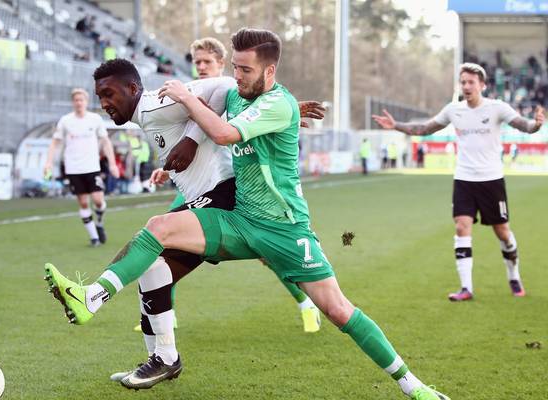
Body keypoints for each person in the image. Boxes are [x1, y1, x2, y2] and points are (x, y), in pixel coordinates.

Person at [44, 29, 449, 400]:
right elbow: (217, 100)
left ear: (269, 70)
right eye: (234, 66)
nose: (235, 74)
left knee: (339, 310)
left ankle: (413, 386)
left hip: (284, 228)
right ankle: (99, 304)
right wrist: (188, 133)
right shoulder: (238, 92)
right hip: (239, 218)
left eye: (245, 68)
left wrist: (186, 96)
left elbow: (221, 131)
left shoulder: (277, 103)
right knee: (158, 235)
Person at [139, 36, 323, 335]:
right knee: (165, 241)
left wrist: (291, 110)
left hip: (229, 183)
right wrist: (165, 168)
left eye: (207, 62)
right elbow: (186, 136)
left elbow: (253, 114)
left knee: (267, 254)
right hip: (197, 182)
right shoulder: (197, 91)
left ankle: (305, 301)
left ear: (221, 65)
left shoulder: (230, 89)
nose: (200, 67)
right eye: (196, 61)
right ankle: (161, 314)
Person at [373, 62, 544, 301]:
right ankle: (466, 288)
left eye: (471, 82)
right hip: (463, 179)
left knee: (502, 232)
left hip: (491, 180)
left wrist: (536, 124)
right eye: (463, 82)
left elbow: (524, 126)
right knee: (462, 226)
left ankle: (514, 275)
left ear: (482, 85)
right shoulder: (454, 110)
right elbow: (424, 128)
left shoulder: (497, 108)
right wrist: (396, 125)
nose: (466, 86)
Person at [44, 88, 119, 246]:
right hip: (73, 168)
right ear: (73, 102)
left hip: (92, 167)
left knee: (98, 200)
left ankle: (99, 223)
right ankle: (94, 238)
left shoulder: (95, 119)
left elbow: (105, 141)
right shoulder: (66, 121)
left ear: (86, 102)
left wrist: (112, 164)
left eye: (81, 100)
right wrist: (48, 162)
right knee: (84, 202)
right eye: (76, 100)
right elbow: (55, 142)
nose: (79, 102)